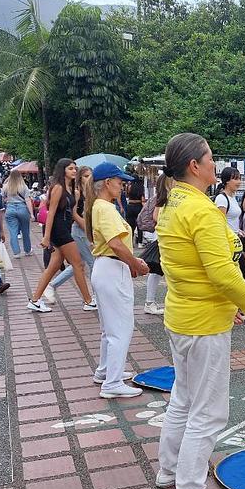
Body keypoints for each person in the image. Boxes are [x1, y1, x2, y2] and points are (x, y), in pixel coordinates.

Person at [155, 133, 245, 489]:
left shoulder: (173, 204)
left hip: (184, 317)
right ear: (195, 166)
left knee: (184, 400)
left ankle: (170, 472)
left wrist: (231, 305)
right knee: (208, 412)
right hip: (203, 324)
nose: (214, 164)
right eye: (210, 158)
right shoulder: (201, 210)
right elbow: (222, 272)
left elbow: (198, 269)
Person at [87, 162, 148, 398]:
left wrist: (129, 263)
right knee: (120, 328)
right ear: (108, 182)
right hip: (112, 268)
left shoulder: (101, 206)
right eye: (120, 181)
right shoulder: (105, 208)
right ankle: (112, 383)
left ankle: (106, 372)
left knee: (109, 328)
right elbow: (115, 243)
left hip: (108, 267)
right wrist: (135, 263)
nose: (123, 185)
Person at [27, 159, 96, 313]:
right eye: (71, 168)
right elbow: (51, 213)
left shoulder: (71, 190)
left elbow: (72, 214)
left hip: (64, 228)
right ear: (62, 170)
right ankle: (88, 301)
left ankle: (35, 300)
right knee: (78, 264)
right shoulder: (57, 188)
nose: (74, 171)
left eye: (75, 168)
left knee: (53, 267)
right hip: (60, 231)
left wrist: (88, 228)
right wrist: (46, 237)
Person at [45, 166, 95, 305]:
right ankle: (93, 298)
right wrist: (87, 227)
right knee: (91, 263)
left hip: (83, 231)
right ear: (79, 178)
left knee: (78, 264)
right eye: (85, 176)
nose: (88, 178)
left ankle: (52, 285)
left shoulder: (90, 192)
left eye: (90, 175)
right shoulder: (77, 193)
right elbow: (73, 214)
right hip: (78, 231)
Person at [143, 173, 172, 315]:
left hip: (163, 239)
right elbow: (156, 216)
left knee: (158, 271)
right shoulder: (164, 198)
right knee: (156, 271)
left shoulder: (163, 197)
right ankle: (150, 302)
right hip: (163, 239)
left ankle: (151, 302)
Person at [213, 167, 245, 280]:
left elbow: (231, 220)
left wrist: (239, 231)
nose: (239, 182)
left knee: (242, 273)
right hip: (227, 243)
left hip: (235, 241)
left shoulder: (232, 197)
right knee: (241, 273)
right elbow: (220, 223)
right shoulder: (221, 199)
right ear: (227, 181)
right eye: (236, 179)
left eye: (239, 179)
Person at [2, 169, 34, 258]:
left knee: (13, 232)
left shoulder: (6, 187)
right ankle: (27, 250)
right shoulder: (24, 186)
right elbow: (27, 200)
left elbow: (2, 198)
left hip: (10, 208)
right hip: (22, 208)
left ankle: (16, 253)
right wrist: (31, 214)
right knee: (25, 231)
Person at [125, 176, 145, 247]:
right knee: (139, 225)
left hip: (130, 206)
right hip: (138, 206)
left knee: (130, 226)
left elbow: (127, 195)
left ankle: (130, 242)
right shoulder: (141, 187)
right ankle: (139, 243)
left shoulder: (129, 187)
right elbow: (142, 199)